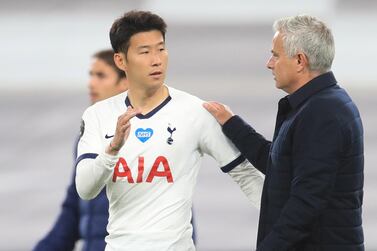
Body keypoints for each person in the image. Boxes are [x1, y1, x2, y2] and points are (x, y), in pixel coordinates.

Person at [75, 10, 264, 251]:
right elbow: (85, 190)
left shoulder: (196, 111)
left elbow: (246, 174)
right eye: (145, 52)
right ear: (121, 61)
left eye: (161, 48)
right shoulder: (98, 115)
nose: (157, 59)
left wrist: (290, 227)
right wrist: (112, 150)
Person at [203, 14, 364, 251]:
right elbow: (281, 167)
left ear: (300, 60)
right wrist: (232, 123)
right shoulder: (319, 104)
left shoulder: (323, 112)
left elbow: (306, 202)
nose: (269, 63)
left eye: (275, 55)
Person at [33, 49, 128, 251]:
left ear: (125, 82)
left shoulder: (152, 136)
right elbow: (74, 210)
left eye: (101, 75)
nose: (91, 83)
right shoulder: (87, 138)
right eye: (91, 75)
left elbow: (174, 211)